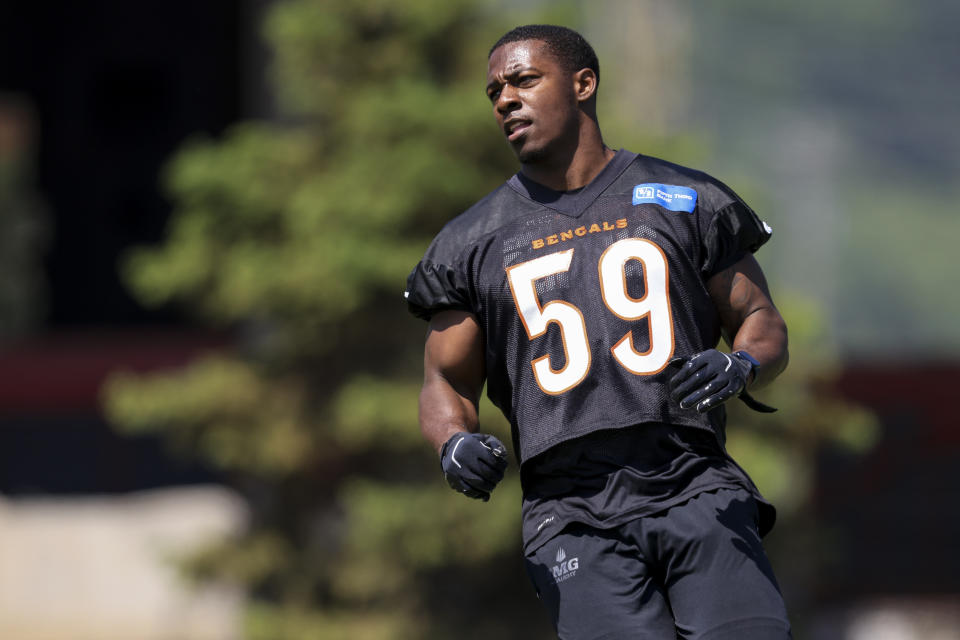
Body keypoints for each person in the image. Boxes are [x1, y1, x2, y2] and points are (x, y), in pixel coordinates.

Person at [404, 23, 791, 640]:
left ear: (583, 83)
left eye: (525, 80)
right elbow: (444, 377)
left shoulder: (685, 199)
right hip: (570, 510)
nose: (505, 99)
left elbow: (759, 319)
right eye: (494, 91)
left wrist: (741, 365)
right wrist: (452, 442)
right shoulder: (469, 243)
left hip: (692, 480)